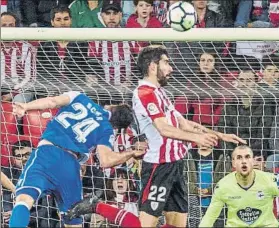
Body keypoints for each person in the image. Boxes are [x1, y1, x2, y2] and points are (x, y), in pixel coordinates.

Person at [132, 45, 245, 227]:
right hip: (157, 167)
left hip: (176, 165)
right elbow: (164, 129)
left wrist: (219, 135)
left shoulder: (160, 93)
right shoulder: (145, 93)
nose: (171, 69)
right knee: (146, 223)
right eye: (166, 63)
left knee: (178, 222)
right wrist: (197, 138)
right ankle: (99, 207)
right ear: (153, 66)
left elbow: (184, 123)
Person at [9, 91, 145, 227]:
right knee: (73, 218)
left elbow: (52, 102)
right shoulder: (107, 129)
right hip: (71, 165)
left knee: (24, 200)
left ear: (112, 106)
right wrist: (131, 153)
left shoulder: (80, 97)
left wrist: (26, 107)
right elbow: (106, 160)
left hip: (47, 152)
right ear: (117, 126)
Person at [199, 145, 279, 227]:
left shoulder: (271, 180)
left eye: (247, 157)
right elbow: (210, 217)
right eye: (239, 157)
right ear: (233, 163)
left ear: (252, 161)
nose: (244, 161)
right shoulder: (223, 185)